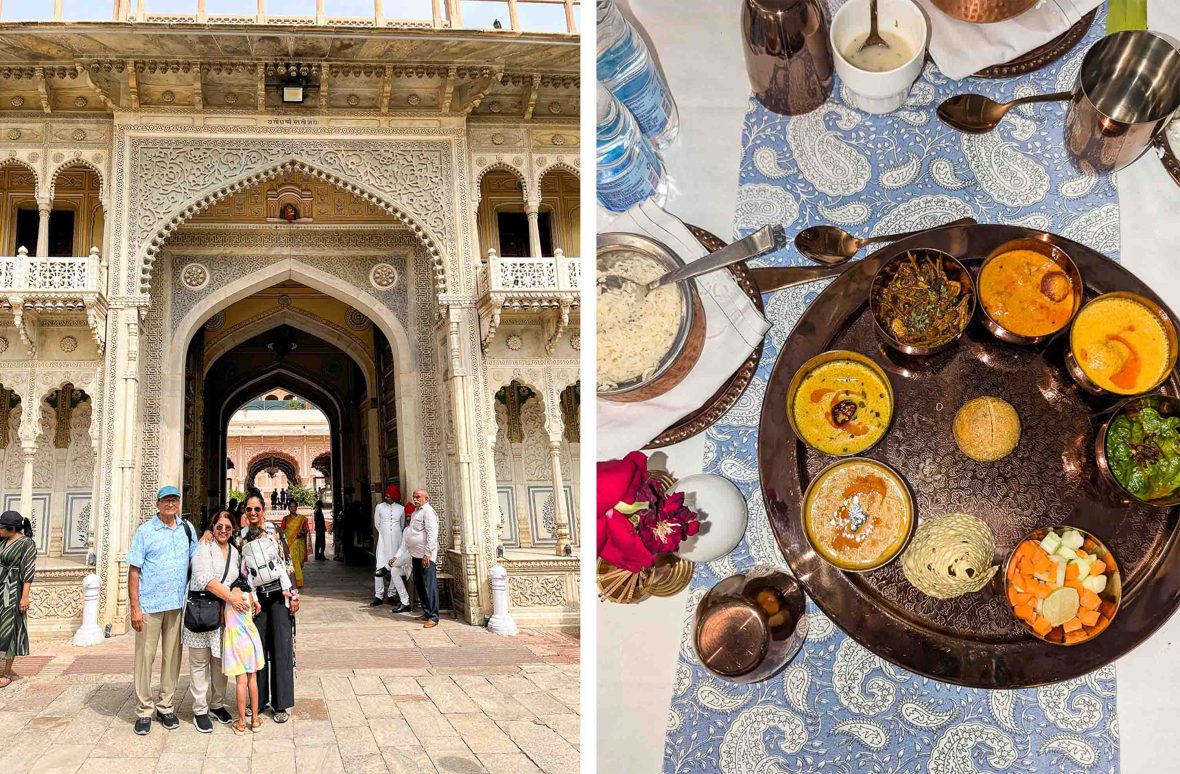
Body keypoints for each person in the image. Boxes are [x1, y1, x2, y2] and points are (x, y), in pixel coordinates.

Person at [128, 485, 197, 735]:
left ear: (179, 503)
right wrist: (135, 607)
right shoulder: (145, 532)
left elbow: (197, 561)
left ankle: (166, 706)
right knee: (145, 658)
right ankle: (144, 709)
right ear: (157, 504)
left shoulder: (187, 530)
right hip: (150, 605)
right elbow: (134, 571)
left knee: (172, 658)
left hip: (177, 605)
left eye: (174, 500)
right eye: (166, 500)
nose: (170, 504)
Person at [184, 509, 248, 732]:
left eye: (227, 527)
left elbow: (240, 578)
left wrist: (237, 593)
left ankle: (217, 704)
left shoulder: (235, 551)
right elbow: (204, 579)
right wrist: (231, 596)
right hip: (202, 611)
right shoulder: (204, 547)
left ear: (233, 530)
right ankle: (200, 709)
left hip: (223, 616)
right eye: (219, 526)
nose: (223, 531)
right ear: (212, 527)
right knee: (199, 662)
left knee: (222, 663)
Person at [239, 494, 297, 723]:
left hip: (279, 597)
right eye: (249, 509)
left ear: (264, 510)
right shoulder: (240, 537)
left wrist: (293, 594)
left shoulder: (274, 531)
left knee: (282, 647)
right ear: (245, 512)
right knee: (258, 649)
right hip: (257, 600)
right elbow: (239, 569)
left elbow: (287, 561)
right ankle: (259, 700)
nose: (253, 513)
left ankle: (280, 703)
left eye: (257, 509)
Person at [224, 572, 265, 735]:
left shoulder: (228, 599)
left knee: (240, 682)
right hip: (250, 640)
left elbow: (223, 619)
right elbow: (254, 611)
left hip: (234, 642)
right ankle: (255, 720)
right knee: (252, 680)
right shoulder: (248, 596)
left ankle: (241, 723)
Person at [0, 511, 35, 689]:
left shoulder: (26, 544)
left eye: (2, 528)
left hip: (13, 591)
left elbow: (28, 571)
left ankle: (6, 671)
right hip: (1, 588)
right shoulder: (3, 541)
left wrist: (25, 597)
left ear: (11, 529)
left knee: (11, 629)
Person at [372, 485, 408, 611]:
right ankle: (378, 595)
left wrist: (394, 533)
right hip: (383, 540)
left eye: (389, 496)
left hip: (397, 540)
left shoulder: (401, 509)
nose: (386, 497)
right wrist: (385, 533)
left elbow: (402, 524)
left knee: (395, 566)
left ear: (394, 497)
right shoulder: (379, 507)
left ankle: (392, 594)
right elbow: (377, 523)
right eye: (386, 495)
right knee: (380, 567)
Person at [406, 489, 439, 628]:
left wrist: (427, 553)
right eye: (414, 497)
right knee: (420, 584)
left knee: (428, 585)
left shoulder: (428, 512)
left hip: (426, 556)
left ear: (426, 498)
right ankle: (426, 612)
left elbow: (432, 533)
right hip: (416, 554)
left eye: (418, 497)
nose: (415, 499)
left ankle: (434, 616)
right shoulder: (415, 512)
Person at [280, 501, 308, 589]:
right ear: (288, 508)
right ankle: (295, 581)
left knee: (299, 563)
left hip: (299, 544)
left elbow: (306, 530)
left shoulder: (302, 519)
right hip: (289, 544)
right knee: (291, 562)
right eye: (291, 507)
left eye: (294, 506)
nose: (293, 508)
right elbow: (282, 532)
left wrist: (301, 533)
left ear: (296, 508)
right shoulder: (285, 519)